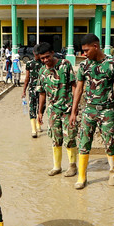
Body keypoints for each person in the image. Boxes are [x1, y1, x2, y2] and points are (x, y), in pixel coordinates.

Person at [70, 33, 114, 189]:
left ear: (96, 46)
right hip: (89, 110)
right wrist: (74, 111)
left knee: (110, 143)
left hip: (106, 111)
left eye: (86, 50)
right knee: (84, 143)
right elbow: (79, 89)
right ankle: (82, 177)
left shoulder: (112, 64)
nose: (84, 54)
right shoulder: (84, 65)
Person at [36, 42, 78, 177]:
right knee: (55, 138)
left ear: (53, 53)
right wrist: (40, 111)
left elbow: (74, 86)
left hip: (67, 109)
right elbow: (42, 92)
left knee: (70, 137)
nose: (45, 60)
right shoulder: (42, 71)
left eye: (47, 57)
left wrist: (74, 109)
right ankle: (57, 166)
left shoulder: (65, 65)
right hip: (53, 110)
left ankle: (72, 166)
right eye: (42, 58)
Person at [22, 47, 43, 138]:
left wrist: (24, 90)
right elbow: (26, 78)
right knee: (37, 107)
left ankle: (36, 128)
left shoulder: (29, 64)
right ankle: (35, 128)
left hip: (36, 89)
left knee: (36, 107)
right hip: (40, 89)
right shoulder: (43, 64)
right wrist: (24, 90)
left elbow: (27, 78)